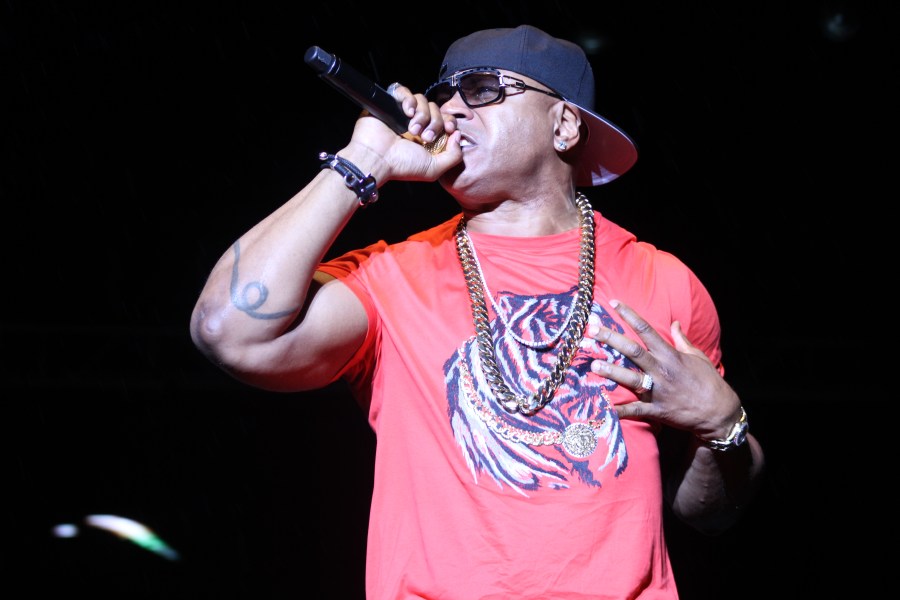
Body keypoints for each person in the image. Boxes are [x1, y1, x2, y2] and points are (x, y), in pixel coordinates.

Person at [190, 24, 765, 599]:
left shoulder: (664, 281)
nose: (452, 110)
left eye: (484, 89)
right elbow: (228, 331)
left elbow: (709, 512)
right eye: (444, 95)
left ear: (564, 125)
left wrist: (725, 427)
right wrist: (365, 158)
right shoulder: (391, 277)